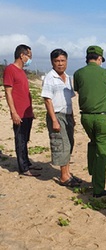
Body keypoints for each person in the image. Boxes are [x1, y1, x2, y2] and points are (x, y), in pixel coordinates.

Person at [73, 45, 106, 198]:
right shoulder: (105, 73)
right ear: (99, 58)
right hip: (102, 117)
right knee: (103, 152)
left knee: (93, 142)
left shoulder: (78, 73)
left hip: (85, 117)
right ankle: (98, 188)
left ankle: (92, 171)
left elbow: (78, 90)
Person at [41, 49, 81, 187]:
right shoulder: (50, 77)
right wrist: (54, 120)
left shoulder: (67, 77)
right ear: (52, 62)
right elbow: (47, 100)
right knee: (62, 144)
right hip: (56, 115)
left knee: (69, 143)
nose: (60, 64)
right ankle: (64, 176)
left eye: (63, 61)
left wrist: (72, 116)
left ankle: (68, 173)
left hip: (67, 115)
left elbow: (69, 99)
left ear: (67, 62)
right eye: (57, 61)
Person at [3, 44, 40, 177]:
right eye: (29, 56)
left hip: (27, 111)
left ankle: (27, 162)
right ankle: (23, 168)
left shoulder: (22, 71)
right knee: (20, 139)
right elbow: (8, 92)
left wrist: (31, 110)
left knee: (26, 138)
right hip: (18, 112)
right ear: (22, 55)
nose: (30, 58)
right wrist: (13, 112)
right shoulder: (10, 69)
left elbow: (25, 92)